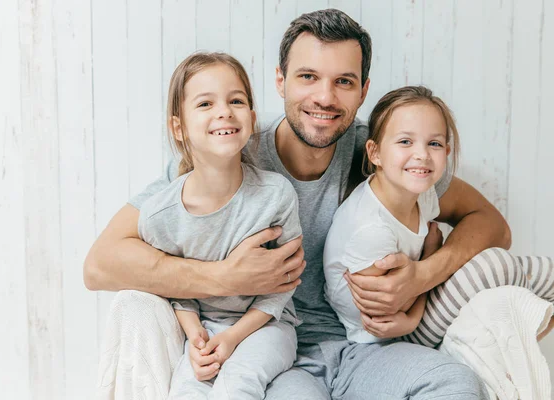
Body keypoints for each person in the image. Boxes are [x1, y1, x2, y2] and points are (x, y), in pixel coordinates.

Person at [86, 8, 554, 400]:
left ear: (364, 90)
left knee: (455, 384)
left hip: (365, 349)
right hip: (273, 349)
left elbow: (490, 223)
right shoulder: (230, 153)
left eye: (344, 82)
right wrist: (221, 278)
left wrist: (422, 276)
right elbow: (101, 265)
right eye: (308, 77)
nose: (325, 98)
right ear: (281, 80)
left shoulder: (384, 152)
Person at [324, 85, 542, 348]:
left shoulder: (423, 194)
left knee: (538, 274)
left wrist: (425, 269)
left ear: (446, 153)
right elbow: (388, 312)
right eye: (405, 141)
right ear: (375, 153)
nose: (422, 155)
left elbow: (500, 233)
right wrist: (429, 255)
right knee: (498, 266)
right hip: (385, 335)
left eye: (434, 143)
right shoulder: (371, 229)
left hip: (410, 311)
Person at [138, 52, 302, 399]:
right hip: (206, 328)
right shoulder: (159, 216)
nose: (224, 111)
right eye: (205, 104)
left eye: (236, 100)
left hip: (267, 326)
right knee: (186, 390)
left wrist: (233, 337)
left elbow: (284, 285)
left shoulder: (276, 195)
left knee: (236, 386)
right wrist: (197, 337)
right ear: (178, 127)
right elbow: (174, 288)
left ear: (252, 118)